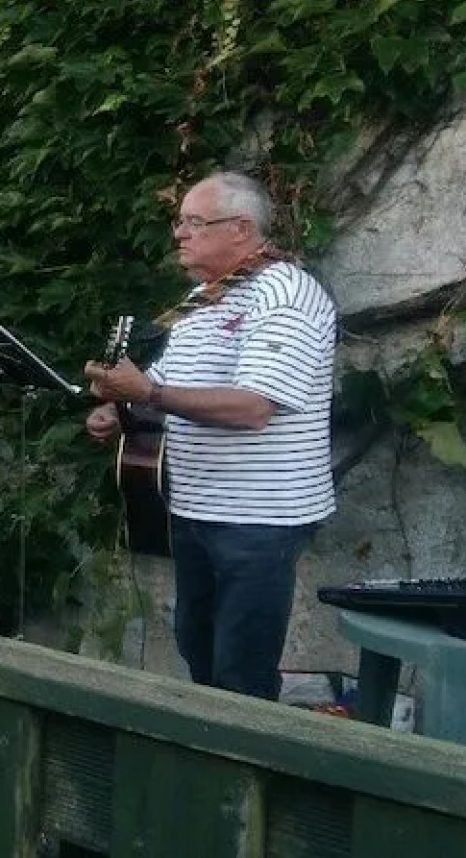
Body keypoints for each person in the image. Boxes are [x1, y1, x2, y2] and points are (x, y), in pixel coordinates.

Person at [84, 170, 336, 701]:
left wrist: (148, 396)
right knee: (198, 649)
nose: (179, 234)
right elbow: (167, 385)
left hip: (259, 518)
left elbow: (253, 407)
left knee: (241, 671)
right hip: (197, 509)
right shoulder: (204, 298)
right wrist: (123, 404)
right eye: (180, 222)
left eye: (194, 223)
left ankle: (249, 778)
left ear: (241, 229)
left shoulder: (286, 295)